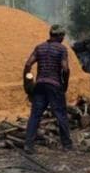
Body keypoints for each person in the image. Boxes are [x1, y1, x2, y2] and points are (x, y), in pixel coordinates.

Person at [23, 24, 73, 154]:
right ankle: (67, 145)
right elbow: (65, 68)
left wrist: (28, 81)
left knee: (35, 115)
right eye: (63, 36)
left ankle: (28, 145)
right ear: (60, 36)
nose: (63, 38)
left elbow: (28, 64)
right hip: (54, 85)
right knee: (60, 114)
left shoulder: (40, 48)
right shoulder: (61, 49)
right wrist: (65, 83)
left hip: (40, 85)